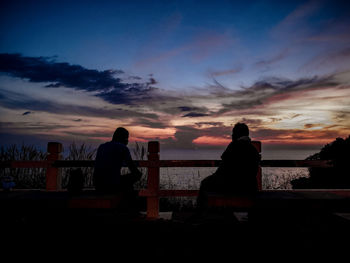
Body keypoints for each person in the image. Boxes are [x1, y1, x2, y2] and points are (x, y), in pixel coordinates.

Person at [197, 122, 260, 211]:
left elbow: (223, 169)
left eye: (233, 133)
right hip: (249, 187)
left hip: (234, 186)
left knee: (205, 183)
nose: (232, 135)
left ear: (237, 134)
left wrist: (215, 177)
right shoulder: (253, 149)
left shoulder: (234, 146)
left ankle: (202, 213)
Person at [93, 127, 142, 209]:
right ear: (123, 138)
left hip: (98, 184)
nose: (128, 141)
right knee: (136, 176)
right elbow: (133, 168)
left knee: (126, 184)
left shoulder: (102, 146)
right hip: (112, 185)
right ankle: (131, 208)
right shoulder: (123, 148)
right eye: (127, 138)